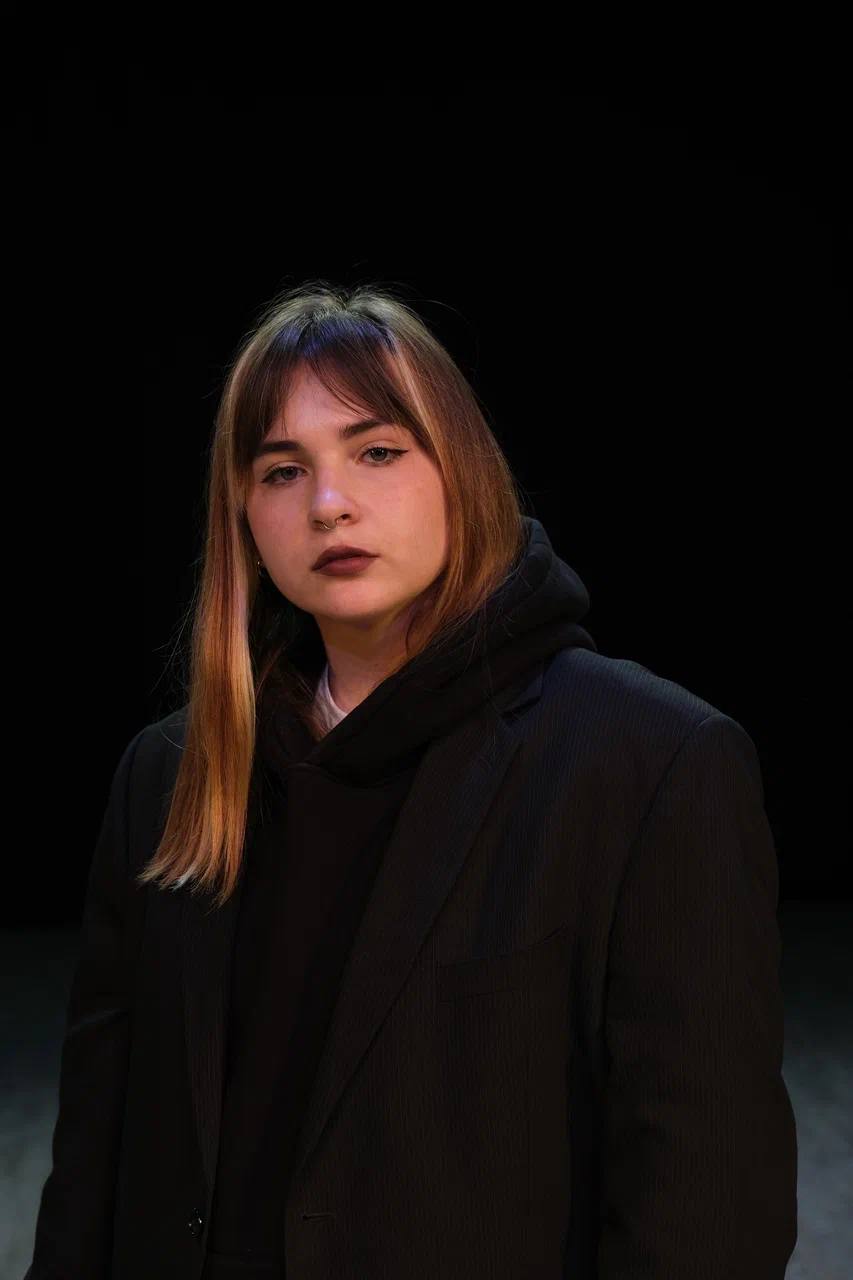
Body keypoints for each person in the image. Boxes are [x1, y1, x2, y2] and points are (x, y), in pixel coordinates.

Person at [25, 280, 798, 1279]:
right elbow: (95, 1158)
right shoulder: (170, 774)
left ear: (460, 468)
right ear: (244, 516)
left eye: (377, 451)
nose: (329, 503)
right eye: (282, 470)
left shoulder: (650, 763)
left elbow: (708, 1209)